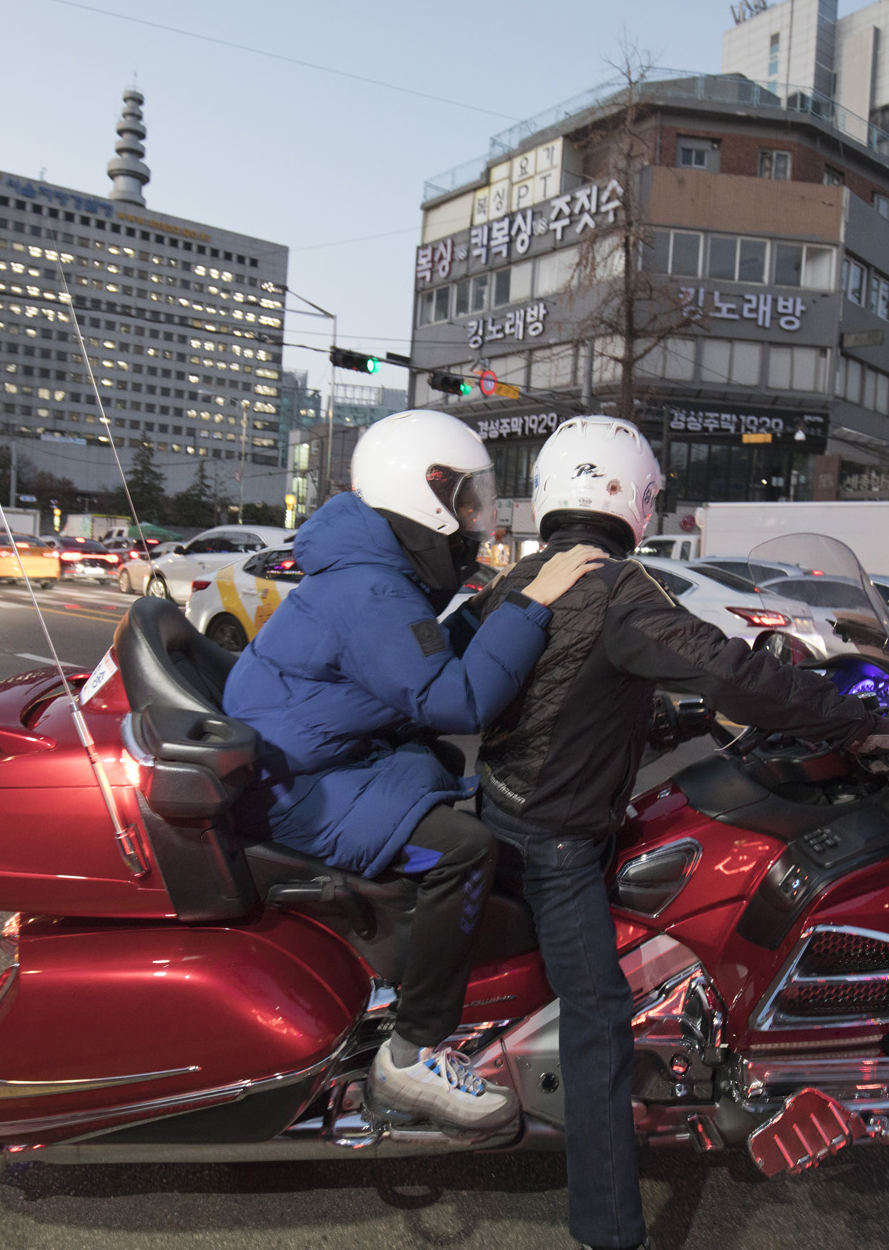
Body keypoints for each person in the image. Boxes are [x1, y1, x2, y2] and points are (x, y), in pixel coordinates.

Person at [464, 416, 889, 1250]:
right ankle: (609, 1231)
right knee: (599, 1016)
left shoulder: (525, 578)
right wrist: (853, 717)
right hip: (556, 840)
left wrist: (686, 719)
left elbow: (574, 701)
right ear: (635, 497)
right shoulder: (616, 586)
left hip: (505, 807)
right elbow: (731, 668)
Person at [221, 410, 604, 1132]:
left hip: (313, 764)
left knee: (448, 796)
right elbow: (457, 700)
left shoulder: (375, 575)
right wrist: (528, 606)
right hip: (297, 790)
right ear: (421, 497)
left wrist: (495, 603)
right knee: (462, 851)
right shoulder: (371, 592)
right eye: (463, 498)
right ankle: (411, 1054)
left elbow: (423, 653)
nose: (474, 518)